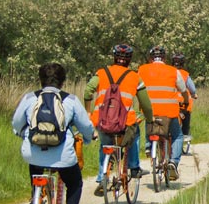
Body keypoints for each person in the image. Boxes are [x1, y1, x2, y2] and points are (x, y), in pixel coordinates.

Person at [12, 63, 93, 204]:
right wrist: (88, 138)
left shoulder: (29, 98)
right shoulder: (70, 100)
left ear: (40, 80)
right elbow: (86, 126)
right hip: (63, 155)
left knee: (36, 164)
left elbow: (17, 123)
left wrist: (21, 133)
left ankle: (37, 197)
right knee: (75, 183)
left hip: (33, 152)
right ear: (63, 81)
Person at [83, 44, 154, 196]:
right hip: (125, 123)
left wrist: (88, 111)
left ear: (114, 57)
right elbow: (146, 104)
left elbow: (88, 90)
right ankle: (134, 167)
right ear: (129, 60)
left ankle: (103, 176)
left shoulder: (101, 73)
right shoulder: (135, 77)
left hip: (102, 121)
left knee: (105, 144)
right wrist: (150, 118)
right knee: (135, 135)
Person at [138, 46, 188, 181]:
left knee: (148, 119)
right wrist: (186, 101)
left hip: (150, 111)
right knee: (177, 136)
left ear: (150, 58)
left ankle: (149, 145)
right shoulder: (173, 71)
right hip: (169, 112)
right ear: (165, 59)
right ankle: (173, 162)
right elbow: (183, 89)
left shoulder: (142, 70)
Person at [172, 52, 198, 151]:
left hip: (172, 102)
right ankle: (185, 134)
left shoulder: (169, 72)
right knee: (186, 116)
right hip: (183, 102)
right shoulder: (185, 74)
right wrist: (194, 94)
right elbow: (192, 88)